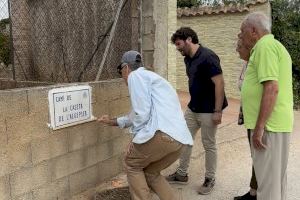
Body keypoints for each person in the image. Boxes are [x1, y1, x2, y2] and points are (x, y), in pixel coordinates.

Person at [97, 50, 193, 200]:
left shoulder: (135, 76)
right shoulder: (151, 78)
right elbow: (135, 115)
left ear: (126, 68)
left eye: (120, 71)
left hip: (163, 134)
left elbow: (142, 114)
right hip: (180, 140)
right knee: (151, 173)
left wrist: (134, 140)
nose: (122, 76)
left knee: (132, 164)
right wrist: (111, 121)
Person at [238, 12, 294, 200]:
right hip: (276, 124)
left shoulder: (264, 46)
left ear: (253, 31)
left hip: (269, 126)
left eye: (242, 31)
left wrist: (260, 127)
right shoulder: (274, 45)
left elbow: (271, 88)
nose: (241, 36)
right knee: (274, 183)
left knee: (268, 188)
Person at [166, 27, 228, 195]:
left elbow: (220, 83)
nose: (177, 48)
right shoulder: (187, 59)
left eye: (178, 44)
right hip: (193, 108)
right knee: (184, 139)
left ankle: (210, 178)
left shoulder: (208, 57)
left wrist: (218, 111)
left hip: (209, 110)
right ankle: (181, 174)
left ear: (189, 39)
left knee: (209, 144)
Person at [234, 40, 257, 200]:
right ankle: (254, 192)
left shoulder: (254, 64)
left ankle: (255, 193)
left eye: (239, 46)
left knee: (258, 157)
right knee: (255, 156)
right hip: (250, 117)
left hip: (256, 118)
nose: (237, 50)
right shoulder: (246, 64)